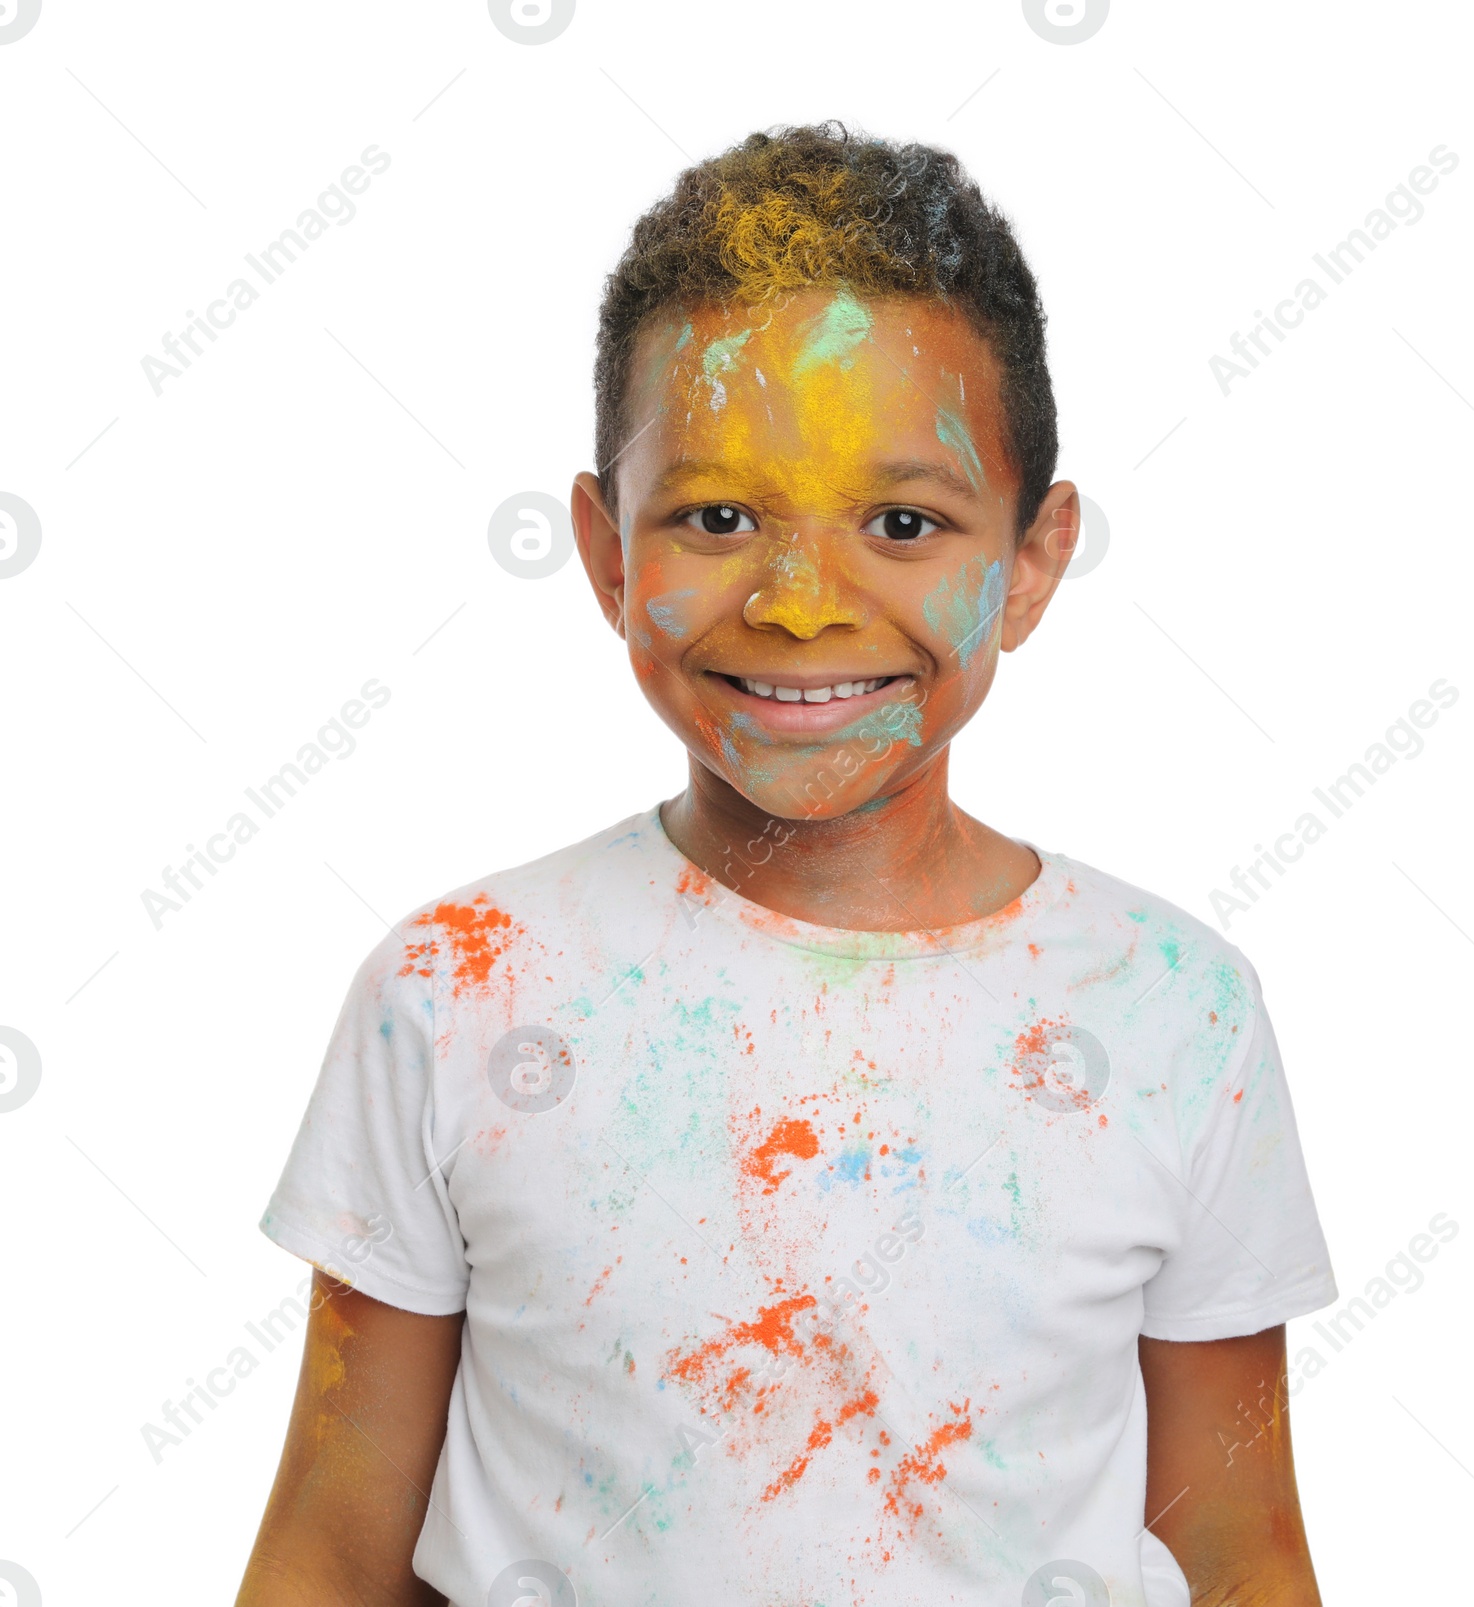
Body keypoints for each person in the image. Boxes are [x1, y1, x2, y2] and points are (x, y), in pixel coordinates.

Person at [237, 122, 1337, 1607]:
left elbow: (1237, 1546)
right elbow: (330, 1547)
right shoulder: (456, 994)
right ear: (609, 554)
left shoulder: (1172, 1012)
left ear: (1028, 562)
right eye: (718, 516)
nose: (806, 605)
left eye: (903, 521)